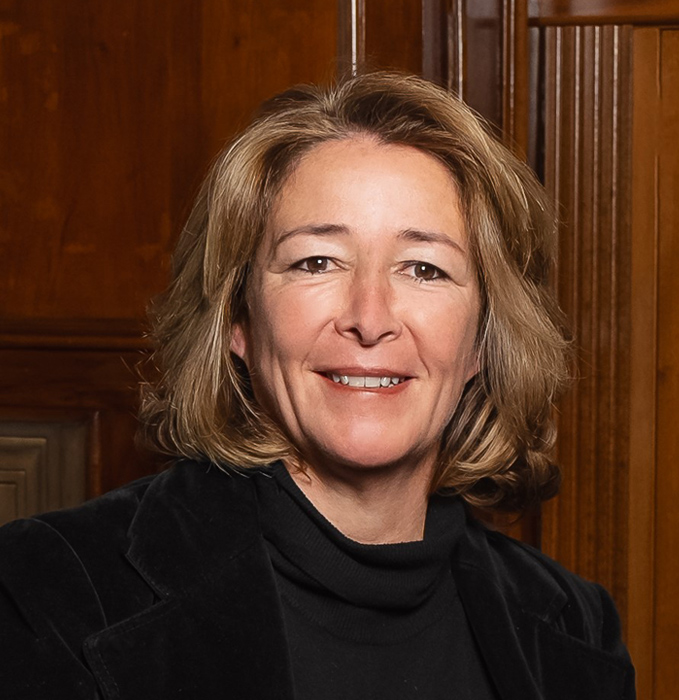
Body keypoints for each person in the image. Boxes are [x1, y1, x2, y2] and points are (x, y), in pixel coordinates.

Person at [0, 72, 635, 699]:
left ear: (482, 339)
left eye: (424, 269)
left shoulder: (574, 625)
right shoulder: (47, 588)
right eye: (317, 261)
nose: (370, 318)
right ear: (238, 318)